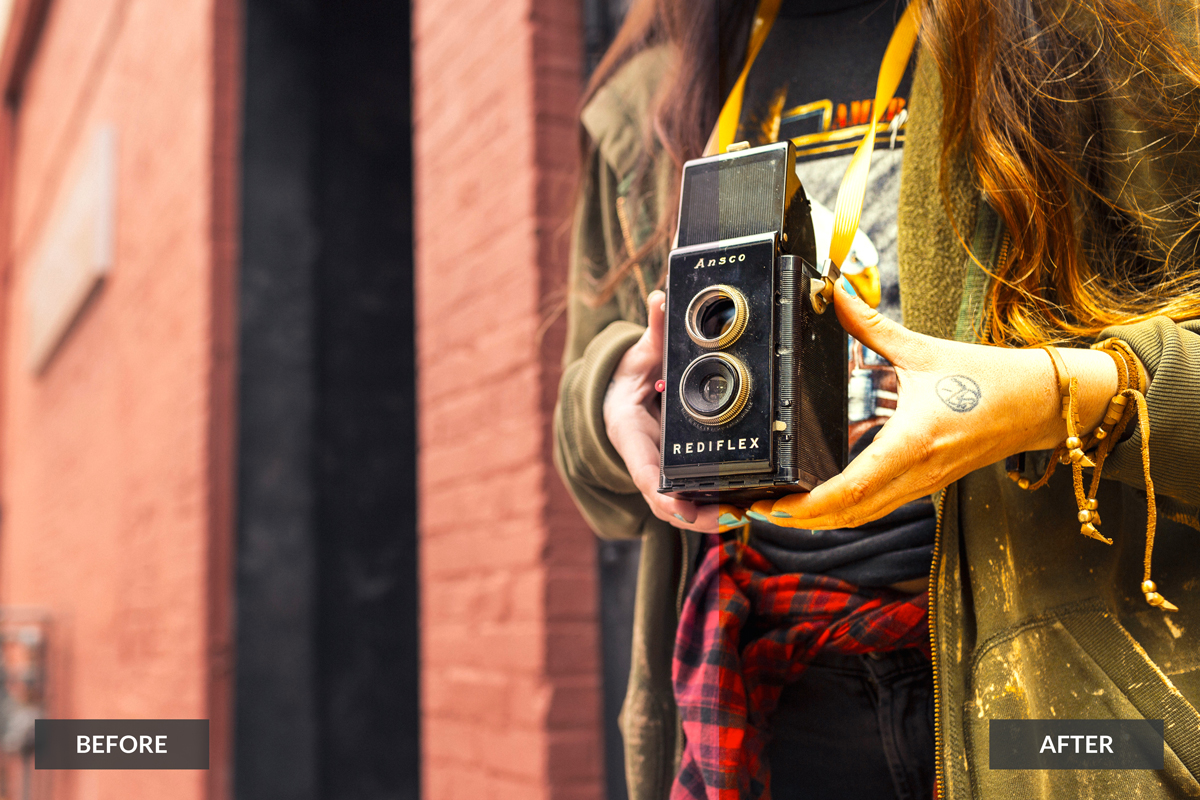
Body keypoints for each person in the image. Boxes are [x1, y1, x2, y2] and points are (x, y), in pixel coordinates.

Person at [554, 0, 1200, 797]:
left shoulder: (1112, 21)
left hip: (1054, 700)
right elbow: (588, 447)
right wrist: (613, 398)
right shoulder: (648, 97)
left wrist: (1054, 399)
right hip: (770, 695)